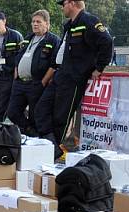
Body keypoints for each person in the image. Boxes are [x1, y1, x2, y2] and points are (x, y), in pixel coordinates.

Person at [33, 0, 113, 158]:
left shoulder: (88, 21)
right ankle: (54, 149)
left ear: (72, 3)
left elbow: (106, 41)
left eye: (63, 4)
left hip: (73, 79)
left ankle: (52, 155)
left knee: (60, 119)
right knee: (40, 110)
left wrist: (99, 68)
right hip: (60, 75)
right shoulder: (69, 24)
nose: (62, 7)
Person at [6, 10, 60, 136]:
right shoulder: (27, 39)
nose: (35, 24)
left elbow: (54, 65)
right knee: (12, 112)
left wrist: (43, 82)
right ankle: (29, 131)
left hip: (36, 83)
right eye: (33, 22)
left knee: (35, 116)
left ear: (47, 24)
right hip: (19, 84)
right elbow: (18, 58)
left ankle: (34, 141)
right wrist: (16, 73)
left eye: (38, 22)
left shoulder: (53, 40)